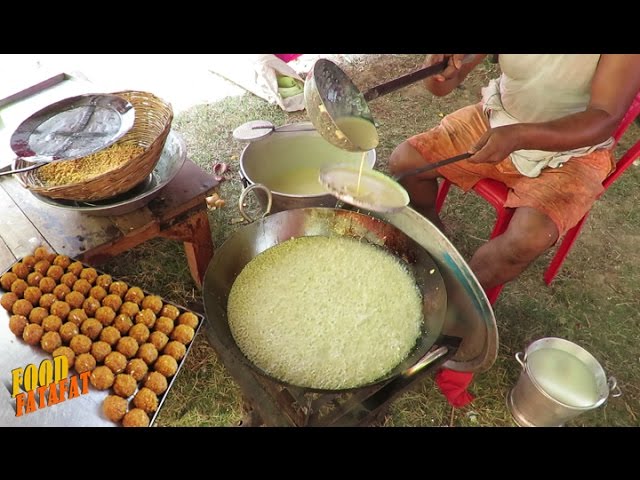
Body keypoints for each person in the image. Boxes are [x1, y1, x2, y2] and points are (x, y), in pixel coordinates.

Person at [389, 54, 640, 292]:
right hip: (500, 118)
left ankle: (457, 292)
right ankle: (434, 247)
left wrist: (521, 135)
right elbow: (444, 84)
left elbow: (604, 117)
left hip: (573, 152)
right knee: (406, 164)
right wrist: (439, 70)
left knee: (528, 238)